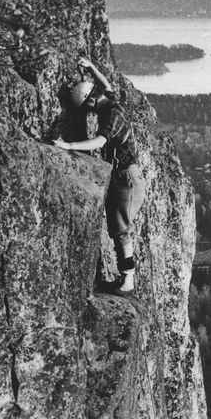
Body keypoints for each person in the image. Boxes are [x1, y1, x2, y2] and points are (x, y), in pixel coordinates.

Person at [54, 57, 145, 295]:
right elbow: (108, 86)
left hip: (125, 176)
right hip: (121, 174)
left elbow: (100, 141)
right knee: (118, 228)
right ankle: (125, 277)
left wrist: (69, 146)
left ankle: (128, 280)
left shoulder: (113, 115)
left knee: (121, 229)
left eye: (88, 107)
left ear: (92, 100)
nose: (90, 112)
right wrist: (92, 68)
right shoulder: (110, 103)